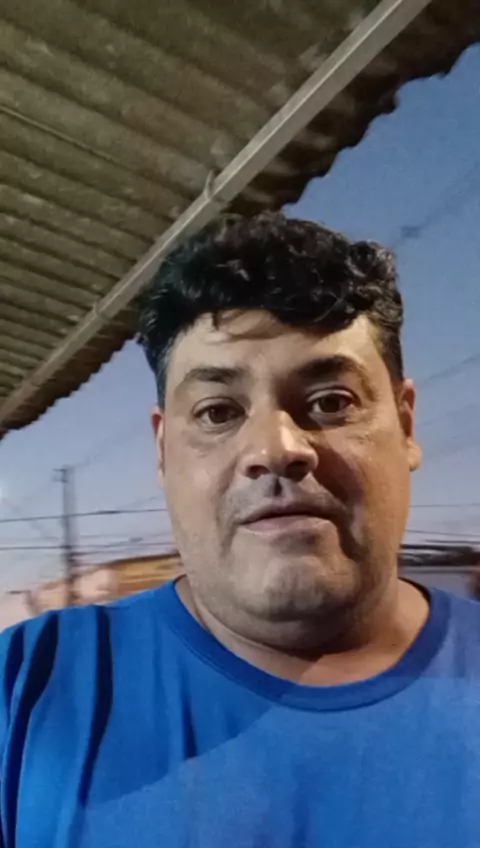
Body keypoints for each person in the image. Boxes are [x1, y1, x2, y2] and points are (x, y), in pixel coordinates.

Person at [1, 213, 479, 848]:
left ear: (406, 424)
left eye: (331, 402)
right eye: (218, 411)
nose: (276, 449)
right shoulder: (23, 690)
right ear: (164, 451)